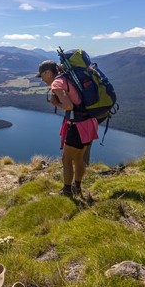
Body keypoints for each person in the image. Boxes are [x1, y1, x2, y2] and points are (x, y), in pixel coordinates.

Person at [36, 60, 98, 197]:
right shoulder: (67, 78)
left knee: (66, 159)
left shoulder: (57, 83)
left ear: (48, 72)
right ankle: (77, 188)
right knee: (79, 158)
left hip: (77, 126)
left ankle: (67, 191)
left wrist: (55, 103)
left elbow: (69, 106)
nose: (42, 79)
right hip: (89, 123)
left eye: (42, 76)